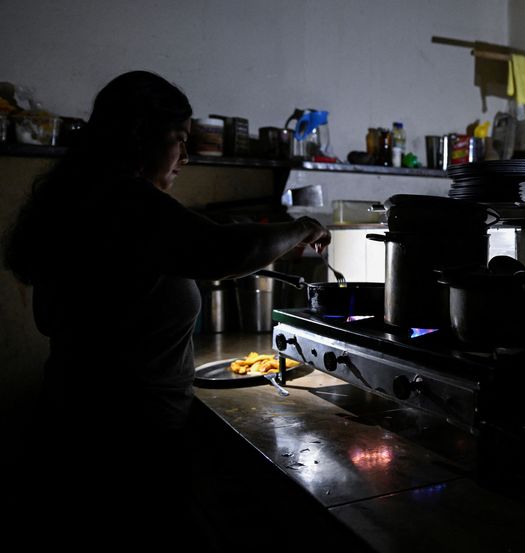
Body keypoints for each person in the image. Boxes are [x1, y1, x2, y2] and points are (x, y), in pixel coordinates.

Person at [2, 70, 330, 549]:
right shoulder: (124, 201)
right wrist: (300, 226)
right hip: (119, 450)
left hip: (81, 425)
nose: (185, 156)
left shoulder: (83, 197)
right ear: (139, 138)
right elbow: (220, 251)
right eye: (178, 139)